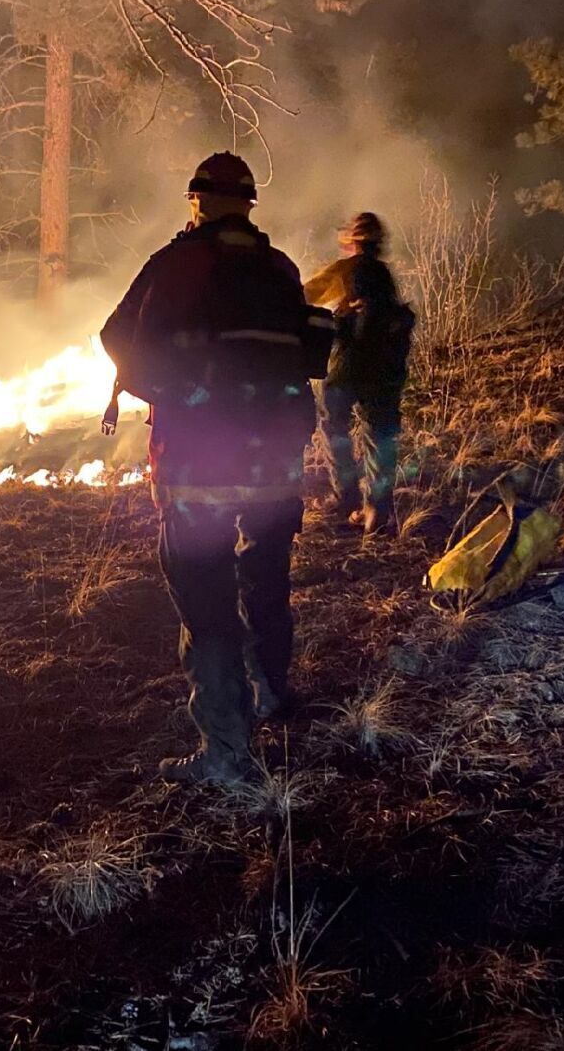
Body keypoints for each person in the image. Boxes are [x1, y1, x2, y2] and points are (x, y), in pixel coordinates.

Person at [101, 153, 327, 785]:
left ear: (195, 200)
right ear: (250, 205)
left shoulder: (174, 263)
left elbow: (115, 336)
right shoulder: (279, 268)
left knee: (205, 599)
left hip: (197, 460)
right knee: (266, 578)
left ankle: (227, 753)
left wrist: (167, 387)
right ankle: (272, 694)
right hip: (276, 463)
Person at [303, 212, 414, 536]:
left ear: (351, 241)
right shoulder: (384, 276)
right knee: (379, 434)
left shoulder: (345, 270)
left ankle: (346, 496)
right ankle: (376, 511)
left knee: (332, 425)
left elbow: (304, 296)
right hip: (384, 369)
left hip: (347, 366)